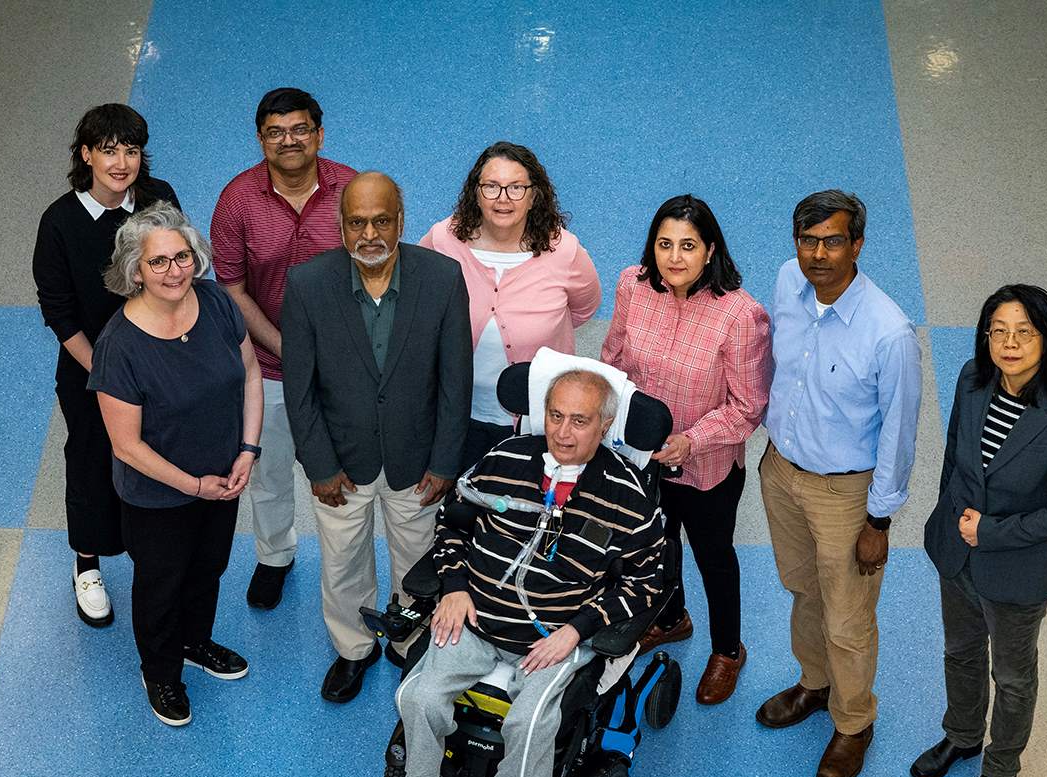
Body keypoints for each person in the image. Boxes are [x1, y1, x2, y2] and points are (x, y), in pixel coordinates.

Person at [386, 369, 666, 777]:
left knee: (530, 721)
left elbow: (647, 582)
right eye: (555, 416)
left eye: (579, 421)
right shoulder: (505, 458)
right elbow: (453, 520)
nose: (563, 432)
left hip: (553, 636)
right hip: (476, 617)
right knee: (418, 696)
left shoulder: (628, 498)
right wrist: (452, 585)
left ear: (605, 425)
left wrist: (579, 631)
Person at [280, 172, 472, 703]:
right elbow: (299, 390)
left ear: (400, 222)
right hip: (339, 463)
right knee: (342, 561)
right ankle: (353, 649)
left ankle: (409, 638)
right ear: (341, 227)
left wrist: (445, 462)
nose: (370, 234)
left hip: (419, 464)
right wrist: (318, 466)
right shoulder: (307, 285)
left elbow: (455, 383)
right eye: (358, 222)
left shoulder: (443, 279)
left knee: (418, 560)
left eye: (381, 221)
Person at [913, 284, 1047, 777]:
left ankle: (1001, 767)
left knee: (1013, 678)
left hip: (1016, 569)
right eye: (999, 330)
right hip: (956, 553)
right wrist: (946, 523)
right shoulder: (973, 382)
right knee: (960, 653)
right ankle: (963, 736)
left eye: (1025, 331)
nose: (1010, 342)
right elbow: (954, 460)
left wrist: (987, 533)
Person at [759, 190, 921, 777]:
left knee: (849, 617)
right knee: (803, 591)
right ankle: (814, 684)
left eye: (833, 241)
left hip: (845, 496)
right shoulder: (786, 282)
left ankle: (853, 723)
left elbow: (900, 436)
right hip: (781, 473)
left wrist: (878, 521)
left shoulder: (890, 334)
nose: (818, 255)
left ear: (858, 245)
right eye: (808, 241)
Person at [88, 204, 264, 727]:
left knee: (208, 568)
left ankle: (195, 642)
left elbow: (251, 373)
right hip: (159, 495)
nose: (175, 271)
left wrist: (248, 451)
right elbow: (126, 446)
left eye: (182, 257)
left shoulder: (215, 302)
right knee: (162, 582)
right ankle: (160, 671)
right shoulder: (118, 346)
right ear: (135, 272)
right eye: (158, 262)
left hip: (223, 477)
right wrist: (194, 485)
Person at [600, 194, 770, 705]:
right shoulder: (633, 284)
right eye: (664, 244)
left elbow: (748, 406)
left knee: (713, 558)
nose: (674, 258)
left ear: (710, 249)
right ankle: (672, 619)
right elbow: (614, 359)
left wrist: (691, 442)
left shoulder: (741, 315)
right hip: (640, 457)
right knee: (655, 546)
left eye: (688, 246)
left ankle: (727, 651)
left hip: (708, 468)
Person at [32, 104, 180, 628]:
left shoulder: (158, 199)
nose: (122, 163)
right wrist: (105, 375)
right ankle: (88, 563)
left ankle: (152, 552)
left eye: (132, 150)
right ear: (86, 154)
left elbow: (178, 269)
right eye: (109, 150)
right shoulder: (60, 222)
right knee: (94, 455)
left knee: (155, 455)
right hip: (90, 368)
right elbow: (59, 311)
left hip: (159, 361)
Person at [211, 87, 357, 612]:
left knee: (342, 477)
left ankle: (346, 571)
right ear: (260, 140)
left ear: (319, 134)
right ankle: (275, 556)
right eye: (275, 133)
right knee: (267, 473)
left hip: (344, 370)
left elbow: (375, 275)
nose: (288, 141)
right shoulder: (237, 200)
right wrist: (291, 351)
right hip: (266, 368)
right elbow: (230, 287)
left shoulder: (353, 192)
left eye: (299, 130)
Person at [420, 141, 600, 469]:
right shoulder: (442, 239)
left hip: (534, 424)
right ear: (475, 192)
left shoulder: (566, 251)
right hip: (455, 418)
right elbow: (418, 299)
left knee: (521, 515)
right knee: (458, 512)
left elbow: (583, 308)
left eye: (516, 187)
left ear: (535, 196)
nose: (503, 198)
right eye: (491, 186)